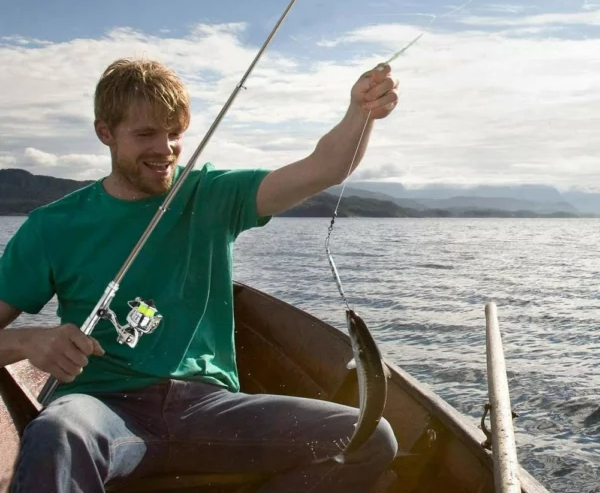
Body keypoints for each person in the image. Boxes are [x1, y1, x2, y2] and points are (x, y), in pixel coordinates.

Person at [0, 58, 400, 492]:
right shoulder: (52, 226)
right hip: (102, 409)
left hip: (210, 408)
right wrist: (29, 340)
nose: (166, 148)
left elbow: (324, 168)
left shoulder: (211, 195)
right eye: (146, 134)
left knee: (370, 438)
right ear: (105, 133)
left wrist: (359, 112)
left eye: (175, 133)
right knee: (58, 433)